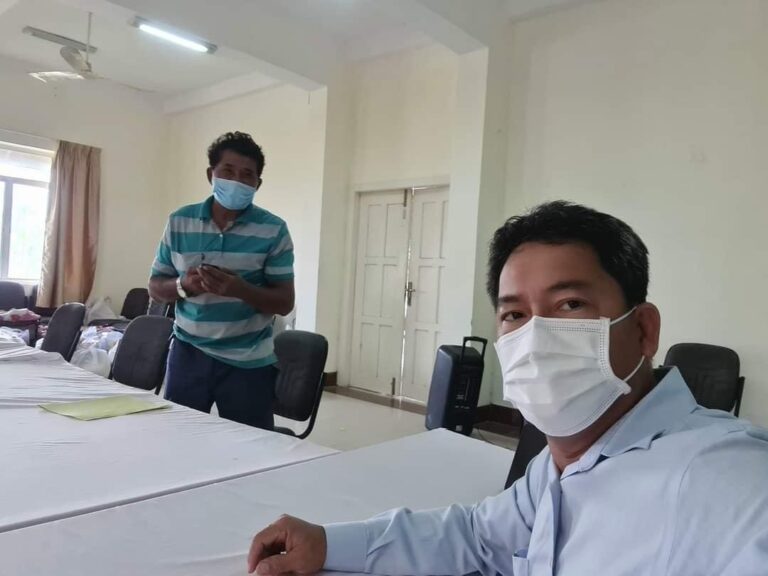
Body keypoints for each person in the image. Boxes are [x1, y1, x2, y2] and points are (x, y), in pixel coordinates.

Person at [247, 201, 768, 575]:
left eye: (570, 305)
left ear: (644, 330)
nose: (537, 337)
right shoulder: (562, 465)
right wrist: (328, 543)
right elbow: (478, 535)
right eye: (515, 314)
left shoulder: (729, 483)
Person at [149, 131, 294, 430]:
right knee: (180, 439)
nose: (237, 181)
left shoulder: (274, 230)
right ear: (210, 174)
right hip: (188, 354)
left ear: (257, 184)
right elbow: (155, 287)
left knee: (251, 447)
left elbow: (284, 302)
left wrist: (241, 290)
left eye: (247, 175)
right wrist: (184, 286)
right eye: (228, 171)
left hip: (249, 362)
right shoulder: (179, 222)